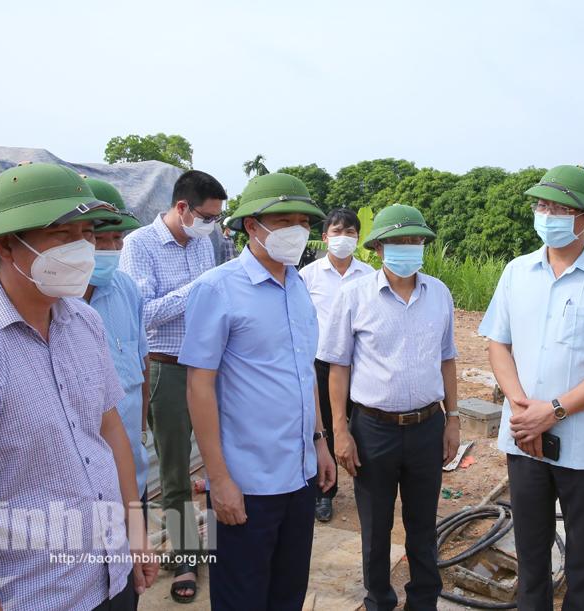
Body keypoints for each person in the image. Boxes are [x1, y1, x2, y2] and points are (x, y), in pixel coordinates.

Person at [0, 163, 158, 610]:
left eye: (88, 233)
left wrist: (134, 530)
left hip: (110, 578)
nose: (84, 248)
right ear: (6, 244)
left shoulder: (85, 323)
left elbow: (110, 430)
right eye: (64, 234)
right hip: (32, 593)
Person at [479, 166, 584, 610]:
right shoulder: (517, 272)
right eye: (541, 205)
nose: (546, 214)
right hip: (524, 441)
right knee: (531, 557)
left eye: (559, 208)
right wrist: (520, 407)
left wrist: (551, 411)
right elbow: (499, 343)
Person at [180, 172, 336, 609]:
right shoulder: (218, 289)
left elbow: (304, 374)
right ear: (252, 225)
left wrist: (320, 443)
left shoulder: (298, 286)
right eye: (283, 220)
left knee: (287, 593)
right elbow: (199, 387)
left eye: (303, 222)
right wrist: (220, 479)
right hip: (247, 482)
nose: (297, 231)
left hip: (299, 475)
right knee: (242, 597)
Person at [319, 204, 460, 611]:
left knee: (422, 526)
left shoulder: (439, 294)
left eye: (415, 241)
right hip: (372, 430)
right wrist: (340, 431)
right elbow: (337, 368)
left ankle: (423, 602)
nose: (408, 249)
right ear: (378, 249)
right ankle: (379, 600)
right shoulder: (354, 295)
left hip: (427, 426)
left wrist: (453, 420)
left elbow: (448, 358)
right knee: (376, 529)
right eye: (398, 241)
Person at [118, 169, 226, 602]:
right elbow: (143, 314)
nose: (212, 226)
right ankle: (185, 559)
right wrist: (199, 288)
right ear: (182, 208)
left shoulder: (205, 241)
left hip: (211, 367)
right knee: (177, 472)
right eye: (206, 216)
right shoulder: (138, 246)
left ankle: (223, 546)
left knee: (222, 462)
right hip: (167, 368)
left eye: (217, 218)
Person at [299, 207, 374, 522]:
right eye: (337, 232)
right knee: (325, 427)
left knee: (364, 425)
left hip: (360, 363)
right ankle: (324, 493)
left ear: (358, 238)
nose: (343, 238)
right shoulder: (308, 276)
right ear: (325, 237)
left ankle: (367, 488)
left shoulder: (369, 275)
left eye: (350, 232)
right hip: (322, 363)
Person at [83, 179, 150, 518]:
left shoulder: (125, 288)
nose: (110, 248)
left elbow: (141, 360)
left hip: (131, 464)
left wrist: (141, 428)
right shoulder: (51, 302)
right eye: (99, 238)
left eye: (117, 239)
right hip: (80, 479)